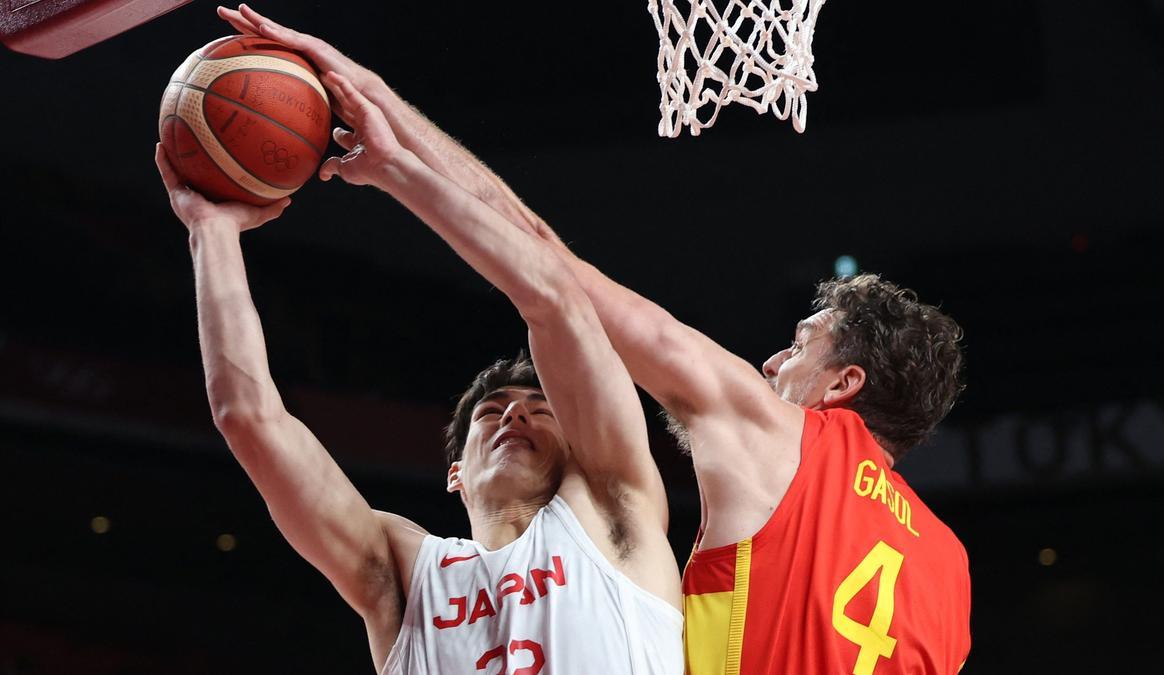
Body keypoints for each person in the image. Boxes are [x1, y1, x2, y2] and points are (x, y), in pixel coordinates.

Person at [219, 5, 971, 673]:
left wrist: (384, 122)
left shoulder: (774, 433)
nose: (773, 359)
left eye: (802, 343)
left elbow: (552, 272)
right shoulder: (951, 569)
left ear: (844, 386)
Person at [153, 75, 682, 675]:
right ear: (455, 473)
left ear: (581, 444)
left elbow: (555, 301)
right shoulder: (403, 573)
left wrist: (396, 170)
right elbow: (247, 417)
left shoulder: (614, 509)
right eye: (492, 411)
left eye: (541, 410)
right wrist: (212, 234)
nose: (514, 413)